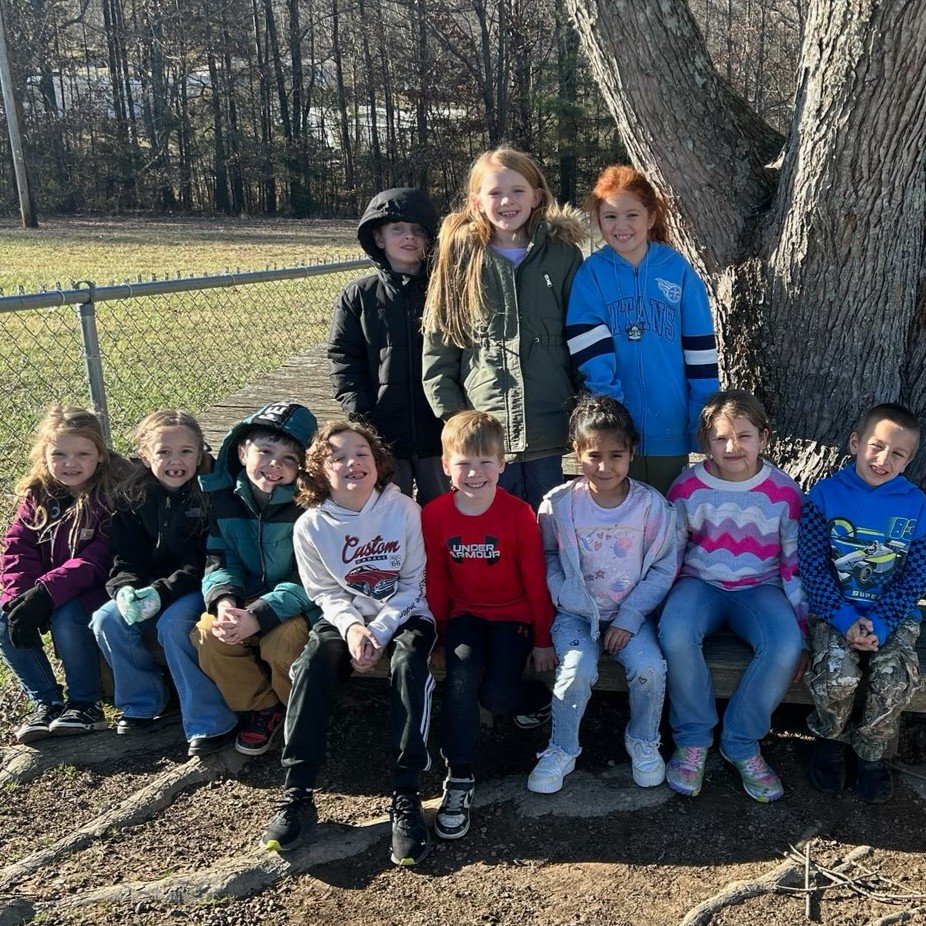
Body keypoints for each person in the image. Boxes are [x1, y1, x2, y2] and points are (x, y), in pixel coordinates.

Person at [260, 419, 436, 868]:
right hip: (347, 620)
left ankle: (406, 794)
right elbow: (324, 592)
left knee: (408, 664)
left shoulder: (404, 510)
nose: (352, 463)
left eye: (361, 453)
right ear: (319, 470)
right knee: (313, 663)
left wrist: (381, 630)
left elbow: (414, 583)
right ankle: (298, 792)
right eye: (337, 457)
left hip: (406, 613)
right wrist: (355, 628)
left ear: (378, 462)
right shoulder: (310, 525)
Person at [658, 390, 807, 802]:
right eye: (720, 438)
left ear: (764, 437)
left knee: (784, 645)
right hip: (699, 583)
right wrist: (659, 609)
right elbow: (670, 554)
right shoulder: (687, 487)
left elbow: (793, 564)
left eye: (743, 436)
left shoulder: (784, 492)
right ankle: (693, 738)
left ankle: (741, 741)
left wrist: (802, 627)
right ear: (705, 442)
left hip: (760, 588)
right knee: (676, 634)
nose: (732, 447)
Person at [527, 395, 676, 795]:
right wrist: (564, 593)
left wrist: (629, 618)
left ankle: (643, 739)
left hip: (631, 617)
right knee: (575, 671)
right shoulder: (559, 505)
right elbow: (548, 554)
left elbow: (663, 567)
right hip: (576, 615)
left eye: (616, 455)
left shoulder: (651, 506)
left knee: (649, 669)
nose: (605, 466)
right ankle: (562, 748)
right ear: (577, 451)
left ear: (632, 453)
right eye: (594, 455)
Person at [422, 146, 585, 510]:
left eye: (517, 191)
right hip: (486, 432)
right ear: (477, 201)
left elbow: (580, 335)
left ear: (536, 196)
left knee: (547, 521)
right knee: (492, 522)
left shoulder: (563, 255)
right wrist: (456, 417)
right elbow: (440, 342)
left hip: (548, 422)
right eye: (495, 192)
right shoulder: (461, 257)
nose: (507, 201)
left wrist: (583, 406)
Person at [422, 410, 556, 839]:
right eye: (464, 463)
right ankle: (459, 776)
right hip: (465, 616)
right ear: (446, 466)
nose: (474, 473)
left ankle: (537, 701)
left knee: (497, 696)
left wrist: (542, 639)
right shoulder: (435, 515)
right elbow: (437, 579)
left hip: (513, 616)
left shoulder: (518, 515)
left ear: (502, 464)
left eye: (485, 462)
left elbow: (535, 581)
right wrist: (439, 635)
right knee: (461, 679)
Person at [90, 411, 239, 757]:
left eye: (186, 451)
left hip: (196, 586)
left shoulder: (212, 493)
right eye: (163, 452)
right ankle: (143, 701)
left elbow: (205, 560)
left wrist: (161, 593)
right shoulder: (131, 496)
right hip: (150, 587)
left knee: (173, 626)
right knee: (106, 619)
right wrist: (125, 588)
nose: (176, 461)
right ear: (145, 456)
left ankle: (210, 720)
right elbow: (124, 556)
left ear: (200, 454)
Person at [565, 165, 719, 495]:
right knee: (619, 513)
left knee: (666, 512)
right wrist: (614, 414)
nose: (621, 226)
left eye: (632, 215)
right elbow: (590, 351)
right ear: (598, 220)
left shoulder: (677, 270)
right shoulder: (592, 275)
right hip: (614, 436)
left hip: (669, 426)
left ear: (651, 218)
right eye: (610, 217)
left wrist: (700, 417)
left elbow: (701, 353)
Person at [799, 402, 926, 803]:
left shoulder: (916, 504)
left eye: (898, 454)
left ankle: (871, 751)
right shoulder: (824, 495)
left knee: (895, 679)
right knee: (837, 674)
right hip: (834, 611)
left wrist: (882, 623)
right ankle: (830, 739)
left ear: (909, 461)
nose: (883, 460)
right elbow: (813, 566)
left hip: (894, 616)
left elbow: (916, 574)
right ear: (855, 443)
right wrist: (843, 618)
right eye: (876, 447)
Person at [192, 401, 320, 757]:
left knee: (282, 645)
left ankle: (300, 711)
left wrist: (260, 614)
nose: (275, 464)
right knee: (209, 634)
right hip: (245, 596)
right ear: (242, 452)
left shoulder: (310, 506)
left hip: (299, 604)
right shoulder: (224, 498)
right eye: (265, 452)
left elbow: (311, 576)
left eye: (289, 458)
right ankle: (263, 707)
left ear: (303, 467)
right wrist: (225, 602)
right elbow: (221, 557)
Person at [0, 405, 128, 743]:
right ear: (45, 455)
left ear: (100, 455)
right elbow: (18, 548)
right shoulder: (40, 495)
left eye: (82, 454)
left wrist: (46, 592)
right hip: (51, 588)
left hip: (98, 589)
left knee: (68, 615)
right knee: (6, 616)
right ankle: (47, 703)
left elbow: (99, 559)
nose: (70, 463)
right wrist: (21, 596)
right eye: (59, 454)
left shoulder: (113, 496)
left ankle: (86, 704)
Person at [328, 187, 448, 507]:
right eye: (398, 229)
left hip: (437, 431)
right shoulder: (358, 295)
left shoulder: (445, 291)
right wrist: (361, 414)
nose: (409, 237)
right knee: (389, 510)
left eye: (418, 230)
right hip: (383, 432)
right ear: (379, 237)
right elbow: (343, 356)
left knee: (442, 509)